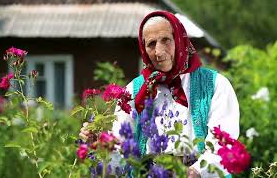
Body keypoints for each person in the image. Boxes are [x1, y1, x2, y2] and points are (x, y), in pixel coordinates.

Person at [80, 11, 239, 178]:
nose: (159, 51)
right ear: (144, 49)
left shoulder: (214, 84)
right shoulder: (133, 91)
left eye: (166, 40)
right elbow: (121, 157)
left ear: (179, 39)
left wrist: (195, 173)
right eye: (151, 44)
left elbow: (224, 145)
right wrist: (100, 147)